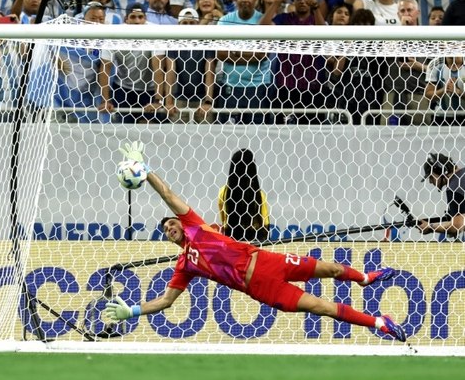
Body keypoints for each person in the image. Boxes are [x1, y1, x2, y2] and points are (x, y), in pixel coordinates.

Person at [105, 142, 407, 343]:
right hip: (261, 287)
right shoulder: (185, 266)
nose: (169, 226)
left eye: (171, 222)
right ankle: (379, 322)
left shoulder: (196, 226)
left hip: (266, 260)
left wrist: (144, 170)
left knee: (331, 269)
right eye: (165, 229)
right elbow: (165, 301)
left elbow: (168, 195)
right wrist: (131, 312)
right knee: (322, 307)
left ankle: (365, 278)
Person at [418, 153, 464, 237]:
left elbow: (457, 226)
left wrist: (430, 227)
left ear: (440, 170)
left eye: (431, 177)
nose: (430, 182)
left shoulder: (454, 187)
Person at [424, 56, 465, 126]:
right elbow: (428, 95)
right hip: (441, 115)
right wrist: (444, 89)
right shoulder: (435, 64)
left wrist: (458, 92)